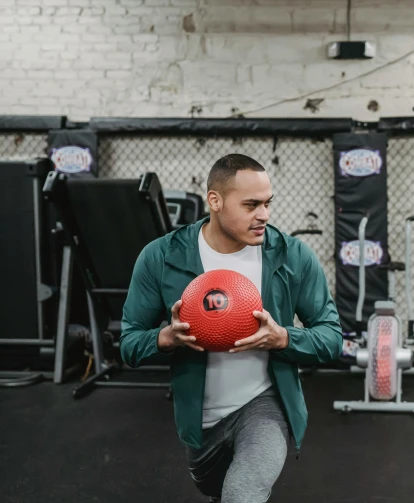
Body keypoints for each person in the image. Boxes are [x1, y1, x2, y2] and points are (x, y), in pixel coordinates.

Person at [119, 153, 343, 503]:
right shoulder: (161, 256)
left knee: (241, 494)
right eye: (251, 205)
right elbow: (129, 343)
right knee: (217, 491)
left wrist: (282, 337)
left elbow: (332, 337)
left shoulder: (292, 256)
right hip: (202, 423)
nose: (264, 215)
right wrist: (165, 338)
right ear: (215, 200)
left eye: (268, 204)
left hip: (264, 405)